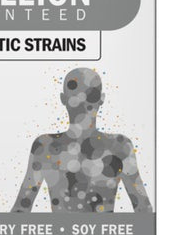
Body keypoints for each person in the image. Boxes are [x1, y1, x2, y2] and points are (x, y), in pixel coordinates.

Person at [11, 67, 152, 213]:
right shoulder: (45, 146)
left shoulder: (119, 146)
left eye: (90, 94)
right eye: (76, 95)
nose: (83, 101)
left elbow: (143, 210)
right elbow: (20, 210)